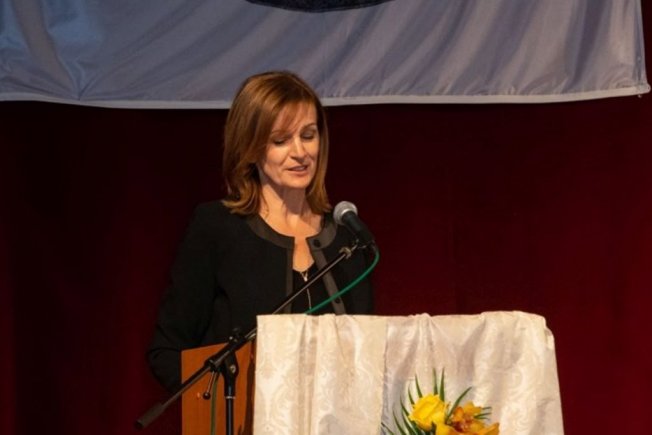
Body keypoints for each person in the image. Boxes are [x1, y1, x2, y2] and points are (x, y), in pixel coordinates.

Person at [147, 71, 375, 392]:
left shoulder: (347, 238)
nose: (300, 152)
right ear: (251, 147)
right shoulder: (218, 227)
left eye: (308, 135)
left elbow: (366, 356)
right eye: (281, 140)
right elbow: (167, 352)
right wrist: (226, 399)